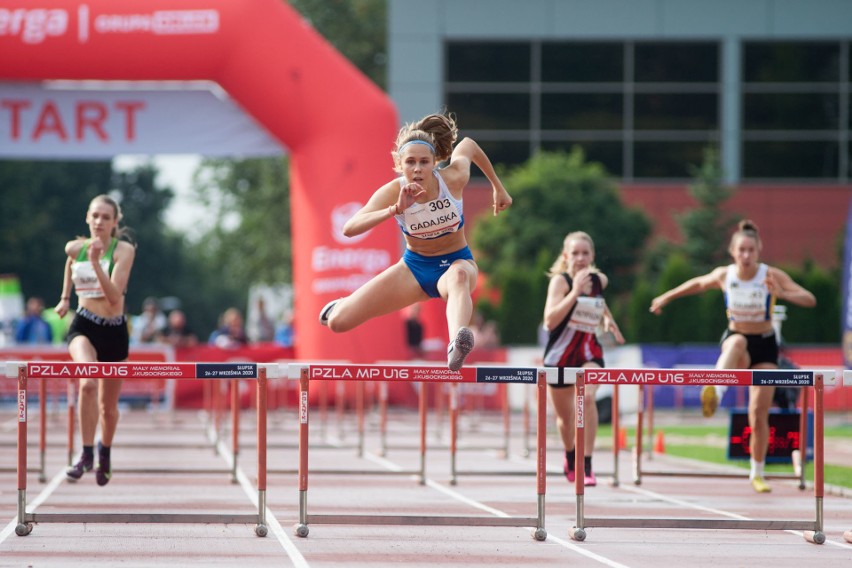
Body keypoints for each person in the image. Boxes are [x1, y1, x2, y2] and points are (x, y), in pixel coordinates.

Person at [319, 112, 512, 371]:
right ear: (400, 164)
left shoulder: (452, 179)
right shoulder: (391, 191)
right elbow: (349, 228)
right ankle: (341, 305)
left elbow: (468, 146)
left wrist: (498, 188)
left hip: (457, 262)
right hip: (414, 269)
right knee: (337, 323)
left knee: (458, 278)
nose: (418, 169)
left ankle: (457, 343)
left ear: (435, 163)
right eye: (411, 162)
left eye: (424, 162)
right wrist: (394, 210)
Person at [649, 219, 816, 493]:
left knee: (758, 413)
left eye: (751, 250)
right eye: (742, 250)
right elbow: (697, 284)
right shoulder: (725, 275)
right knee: (736, 341)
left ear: (759, 249)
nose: (746, 256)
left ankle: (757, 473)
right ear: (733, 252)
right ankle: (715, 389)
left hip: (765, 345)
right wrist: (666, 297)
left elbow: (809, 299)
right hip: (737, 343)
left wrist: (782, 292)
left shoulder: (770, 275)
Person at [55, 194, 136, 486]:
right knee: (87, 382)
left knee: (107, 407)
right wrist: (65, 297)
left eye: (105, 217)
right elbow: (70, 260)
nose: (99, 221)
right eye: (95, 216)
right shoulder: (77, 247)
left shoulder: (123, 251)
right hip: (85, 325)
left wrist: (96, 262)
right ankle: (86, 454)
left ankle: (105, 451)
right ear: (87, 218)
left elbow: (115, 296)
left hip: (114, 330)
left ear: (115, 223)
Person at [542, 231, 625, 486]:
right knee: (566, 420)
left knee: (588, 397)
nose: (580, 258)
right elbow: (549, 320)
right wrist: (575, 291)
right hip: (560, 356)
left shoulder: (600, 280)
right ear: (566, 256)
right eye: (575, 253)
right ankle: (570, 455)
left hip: (589, 352)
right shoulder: (561, 282)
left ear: (592, 256)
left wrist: (608, 319)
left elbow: (599, 300)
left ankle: (586, 465)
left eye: (585, 253)